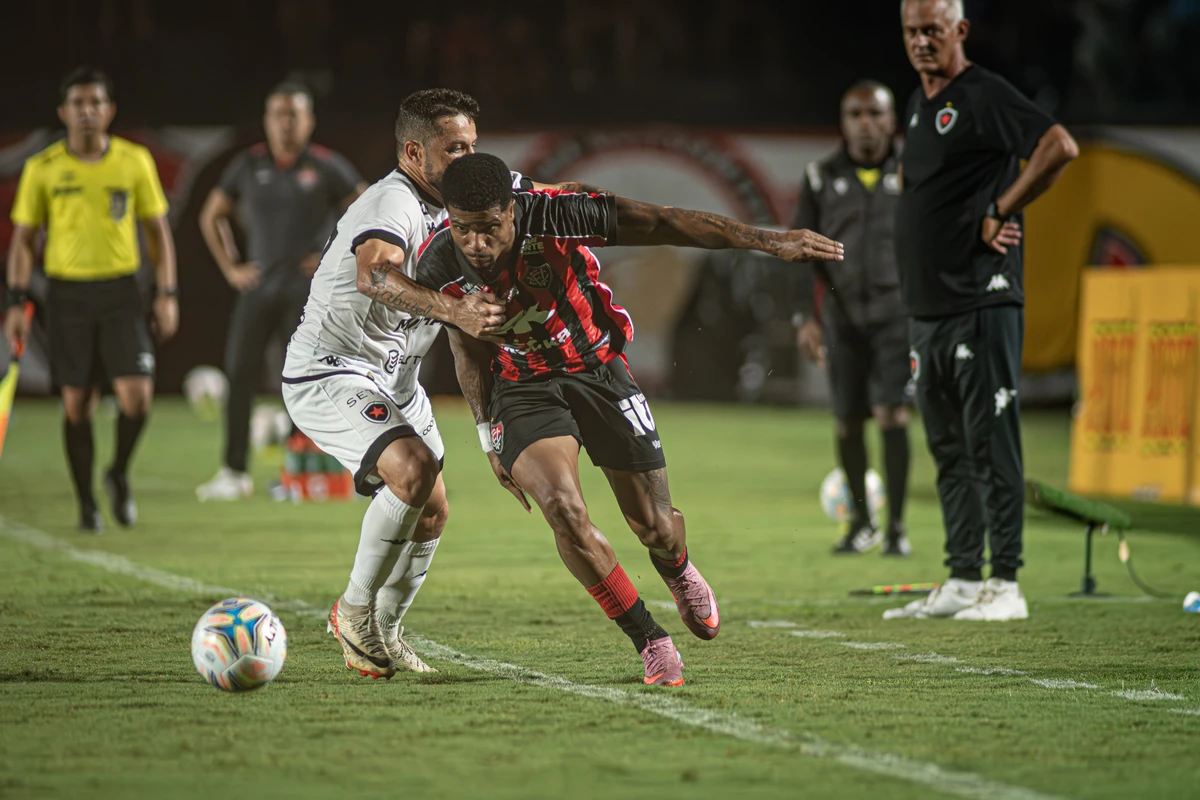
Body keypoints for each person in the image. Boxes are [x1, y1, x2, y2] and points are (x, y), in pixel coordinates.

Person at [414, 153, 843, 686]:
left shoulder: (558, 212)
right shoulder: (435, 263)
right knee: (563, 510)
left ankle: (678, 567)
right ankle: (649, 639)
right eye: (463, 229)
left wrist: (767, 240)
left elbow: (664, 221)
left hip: (597, 367)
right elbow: (466, 347)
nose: (475, 244)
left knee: (656, 528)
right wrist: (487, 433)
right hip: (522, 387)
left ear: (512, 211)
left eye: (489, 229)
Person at [280, 89, 537, 679]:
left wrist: (486, 435)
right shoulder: (392, 203)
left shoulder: (460, 208)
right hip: (331, 369)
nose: (469, 158)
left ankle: (386, 632)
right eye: (455, 148)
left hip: (395, 378)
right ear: (415, 152)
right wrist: (456, 311)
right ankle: (352, 613)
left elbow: (465, 337)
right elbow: (375, 274)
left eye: (474, 145)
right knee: (413, 469)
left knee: (431, 512)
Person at [884, 0, 1078, 621]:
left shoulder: (984, 94)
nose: (920, 42)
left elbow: (1058, 145)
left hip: (981, 301)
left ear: (960, 31)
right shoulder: (918, 106)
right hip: (930, 310)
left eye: (932, 31)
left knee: (992, 443)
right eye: (912, 31)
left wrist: (1003, 207)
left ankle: (1008, 583)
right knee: (947, 448)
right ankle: (965, 577)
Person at [4, 66, 177, 533]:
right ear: (63, 112)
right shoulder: (43, 169)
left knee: (137, 397)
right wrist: (16, 302)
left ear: (109, 110)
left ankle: (117, 473)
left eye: (95, 103)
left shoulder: (133, 160)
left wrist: (166, 292)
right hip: (67, 296)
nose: (87, 112)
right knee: (77, 405)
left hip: (122, 292)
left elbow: (157, 232)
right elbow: (22, 241)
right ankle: (86, 502)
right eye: (78, 104)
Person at [196, 82, 365, 501]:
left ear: (309, 121)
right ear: (267, 120)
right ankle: (234, 471)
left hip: (306, 294)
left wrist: (332, 254)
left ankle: (297, 474)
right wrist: (232, 267)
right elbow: (210, 215)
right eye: (279, 114)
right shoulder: (248, 166)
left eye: (295, 114)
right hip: (257, 289)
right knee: (239, 375)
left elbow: (366, 208)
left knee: (305, 381)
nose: (286, 122)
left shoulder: (327, 166)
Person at [793, 80, 912, 557]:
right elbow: (799, 251)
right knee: (846, 422)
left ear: (892, 120)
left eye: (875, 114)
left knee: (892, 413)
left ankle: (898, 527)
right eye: (856, 114)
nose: (866, 123)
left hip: (896, 316)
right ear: (843, 122)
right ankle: (861, 523)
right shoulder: (821, 176)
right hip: (841, 319)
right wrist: (807, 316)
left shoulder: (913, 172)